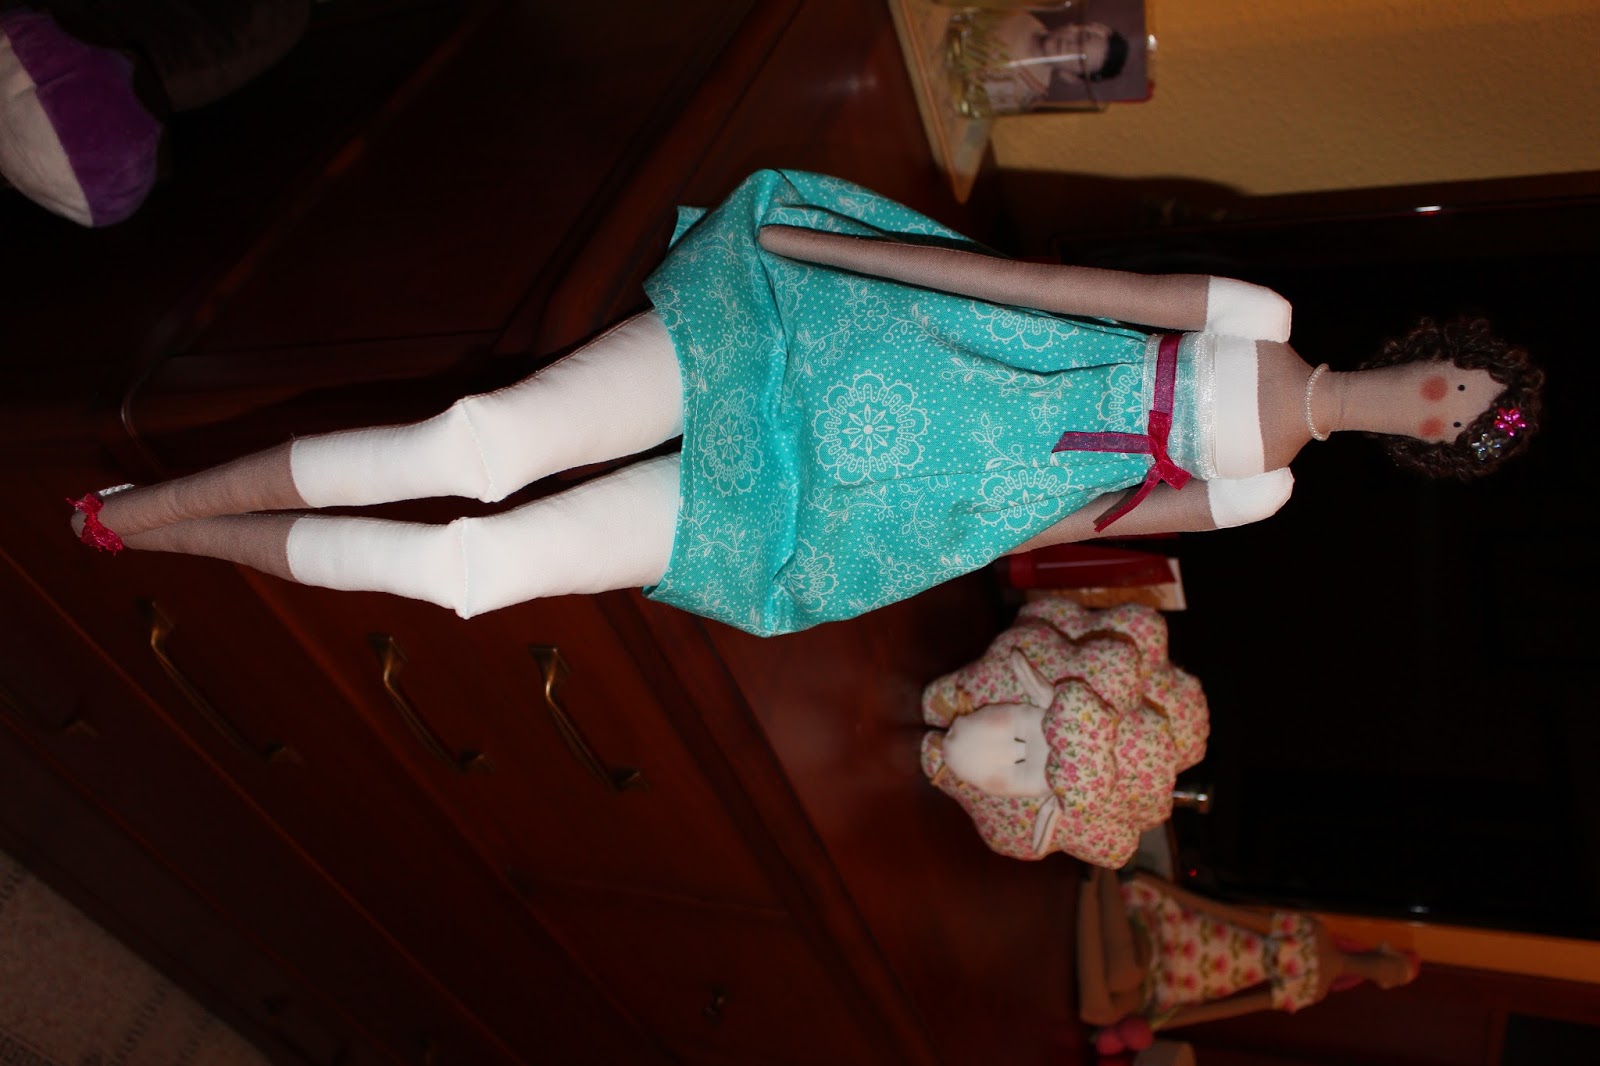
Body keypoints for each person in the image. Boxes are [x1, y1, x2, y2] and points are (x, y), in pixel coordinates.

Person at [68, 170, 1544, 636]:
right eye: (1452, 383)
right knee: (478, 442)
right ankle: (162, 498)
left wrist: (918, 554)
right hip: (829, 344)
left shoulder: (1264, 493)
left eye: (1449, 423)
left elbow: (1076, 522)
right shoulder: (1259, 317)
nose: (1432, 404)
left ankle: (154, 532)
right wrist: (829, 249)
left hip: (848, 505)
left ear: (1433, 452)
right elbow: (1051, 287)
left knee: (472, 572)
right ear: (1438, 347)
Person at [1076, 865, 1419, 1047]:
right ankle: (1091, 888)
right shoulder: (1313, 934)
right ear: (1384, 950)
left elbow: (1242, 1005)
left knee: (1104, 1010)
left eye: (1391, 978)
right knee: (1124, 975)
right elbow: (1240, 918)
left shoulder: (1313, 991)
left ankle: (1094, 888)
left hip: (1194, 983)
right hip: (1182, 936)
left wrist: (1162, 1021)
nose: (1384, 973)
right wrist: (1168, 893)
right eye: (1393, 967)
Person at [948, 11, 1130, 114]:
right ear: (1075, 25)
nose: (1070, 46)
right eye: (1083, 37)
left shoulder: (1024, 93)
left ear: (1071, 76)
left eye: (1079, 60)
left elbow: (960, 101)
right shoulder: (1021, 15)